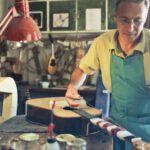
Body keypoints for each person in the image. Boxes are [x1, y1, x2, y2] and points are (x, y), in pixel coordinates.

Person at [65, 0, 150, 149]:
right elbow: (82, 70)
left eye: (138, 21)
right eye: (124, 20)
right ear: (115, 17)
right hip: (116, 128)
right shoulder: (102, 43)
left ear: (146, 16)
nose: (131, 28)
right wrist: (73, 86)